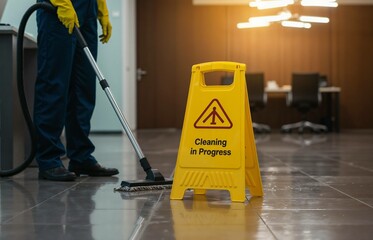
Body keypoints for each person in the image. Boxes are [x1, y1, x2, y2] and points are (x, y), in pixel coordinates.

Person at [35, 0, 119, 181]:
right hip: (58, 8)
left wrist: (101, 8)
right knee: (54, 85)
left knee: (84, 87)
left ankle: (81, 156)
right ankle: (49, 160)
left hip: (88, 9)